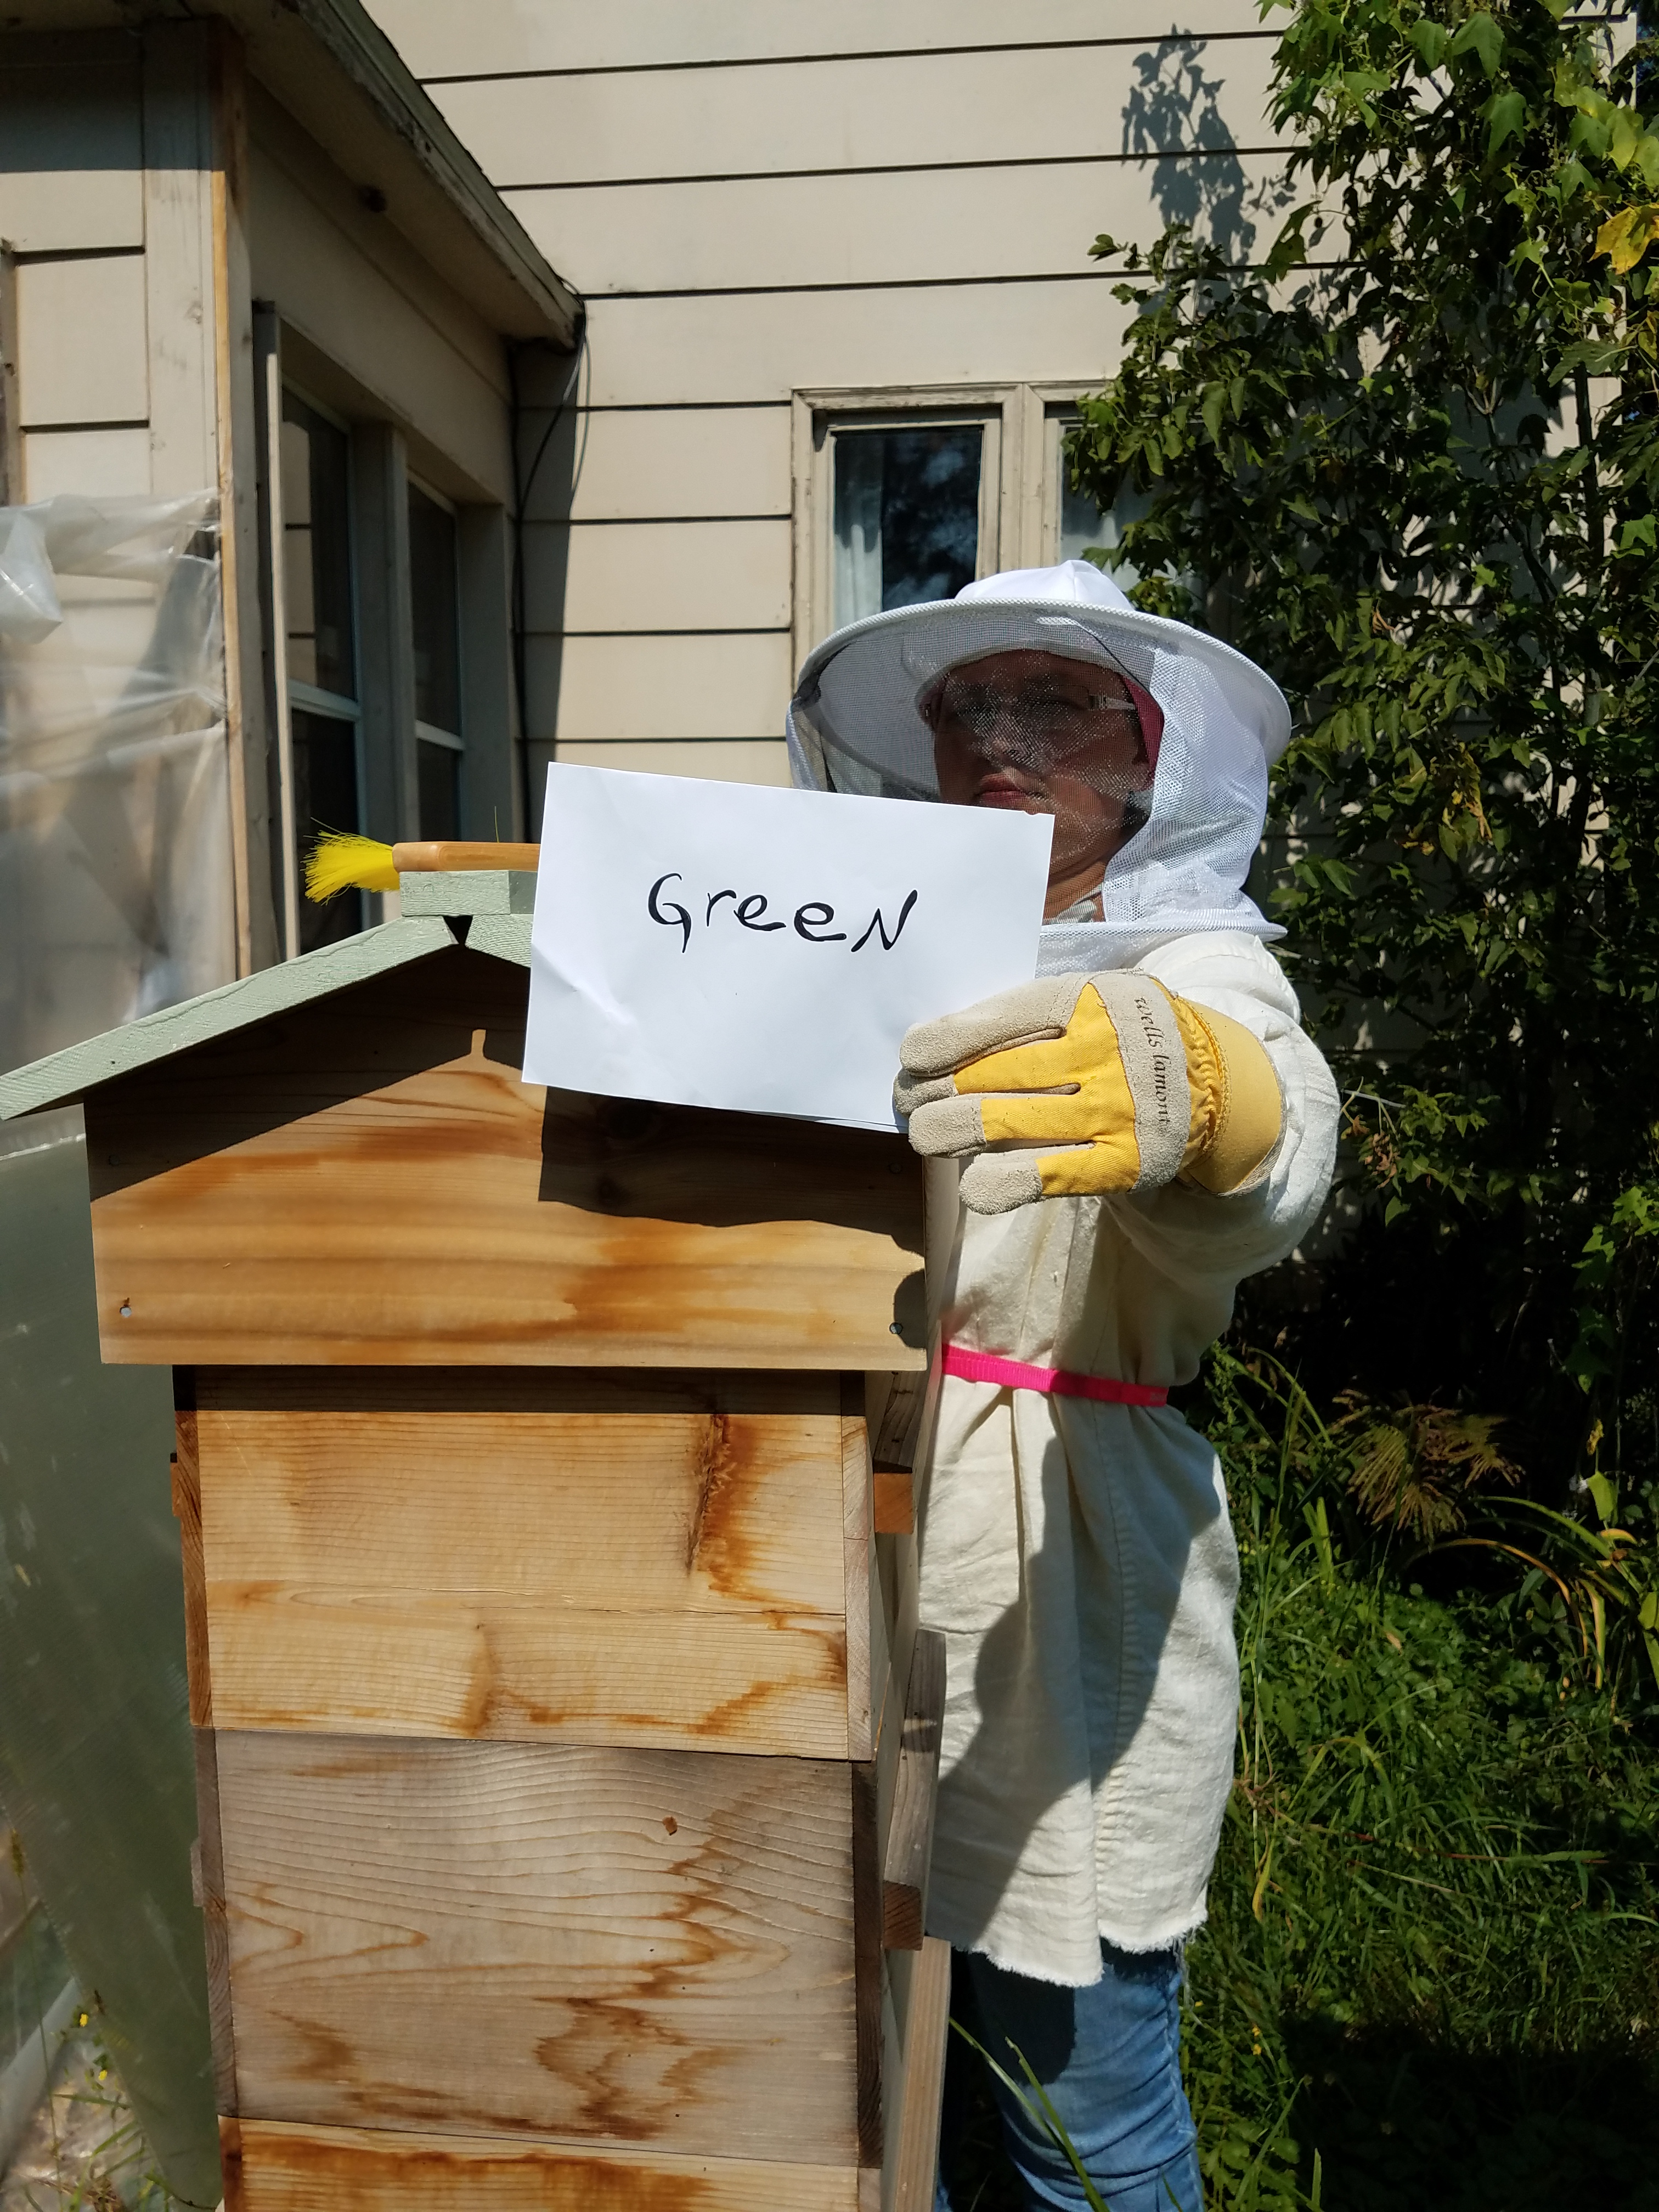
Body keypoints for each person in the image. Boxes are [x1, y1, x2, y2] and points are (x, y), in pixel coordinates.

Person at [787, 560, 1339, 2212]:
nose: (1003, 740)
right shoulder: (869, 954)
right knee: (843, 2052)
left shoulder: (1200, 966)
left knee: (1077, 2091)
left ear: (1151, 749)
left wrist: (1200, 1094)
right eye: (969, 708)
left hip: (1060, 1574)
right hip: (828, 1531)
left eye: (1055, 704)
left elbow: (1277, 1151)